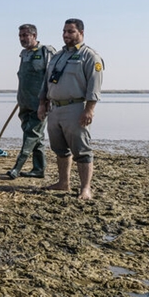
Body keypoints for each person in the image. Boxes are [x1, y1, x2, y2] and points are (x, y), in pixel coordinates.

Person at [37, 18, 104, 200]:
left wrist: (89, 109)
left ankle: (85, 189)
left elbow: (94, 85)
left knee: (82, 150)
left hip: (76, 108)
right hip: (55, 109)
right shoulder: (58, 56)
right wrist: (42, 104)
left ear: (81, 33)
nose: (66, 35)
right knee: (59, 149)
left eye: (71, 32)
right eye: (64, 31)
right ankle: (63, 183)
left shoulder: (89, 56)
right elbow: (47, 81)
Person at [6, 24, 55, 180]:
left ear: (34, 35)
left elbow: (52, 77)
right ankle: (39, 169)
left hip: (40, 103)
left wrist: (46, 100)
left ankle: (17, 167)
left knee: (31, 135)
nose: (22, 38)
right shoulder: (23, 54)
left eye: (25, 35)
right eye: (20, 36)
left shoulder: (46, 52)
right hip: (24, 102)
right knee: (37, 137)